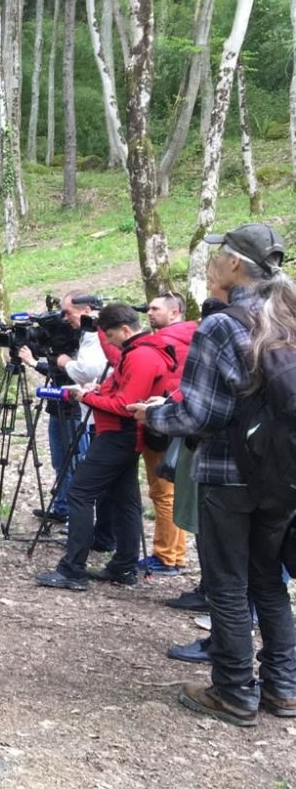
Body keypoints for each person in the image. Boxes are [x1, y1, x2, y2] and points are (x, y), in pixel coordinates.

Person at [136, 223, 296, 726]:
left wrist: (153, 414)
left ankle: (233, 691)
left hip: (228, 477)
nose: (208, 266)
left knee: (228, 586)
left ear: (233, 264)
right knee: (269, 583)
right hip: (284, 476)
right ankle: (284, 688)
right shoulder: (287, 315)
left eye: (214, 257)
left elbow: (200, 416)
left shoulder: (224, 324)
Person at [35, 304, 174, 591]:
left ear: (125, 330)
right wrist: (97, 391)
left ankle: (73, 569)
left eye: (109, 335)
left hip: (119, 434)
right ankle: (123, 566)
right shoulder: (142, 350)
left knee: (80, 492)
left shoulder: (141, 356)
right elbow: (120, 391)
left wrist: (86, 397)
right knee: (126, 500)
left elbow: (126, 406)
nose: (108, 342)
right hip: (125, 435)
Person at [18, 292, 107, 527]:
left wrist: (40, 363)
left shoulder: (92, 336)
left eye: (68, 313)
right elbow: (62, 368)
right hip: (57, 405)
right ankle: (63, 506)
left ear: (86, 310)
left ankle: (77, 515)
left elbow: (79, 371)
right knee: (60, 460)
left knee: (75, 458)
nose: (65, 318)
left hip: (77, 406)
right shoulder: (79, 334)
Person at [138, 291, 196, 575]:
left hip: (161, 421)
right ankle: (176, 553)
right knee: (174, 489)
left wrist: (102, 330)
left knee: (163, 491)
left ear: (174, 313)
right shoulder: (195, 338)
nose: (149, 313)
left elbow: (127, 361)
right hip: (182, 421)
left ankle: (165, 556)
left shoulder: (161, 342)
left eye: (155, 308)